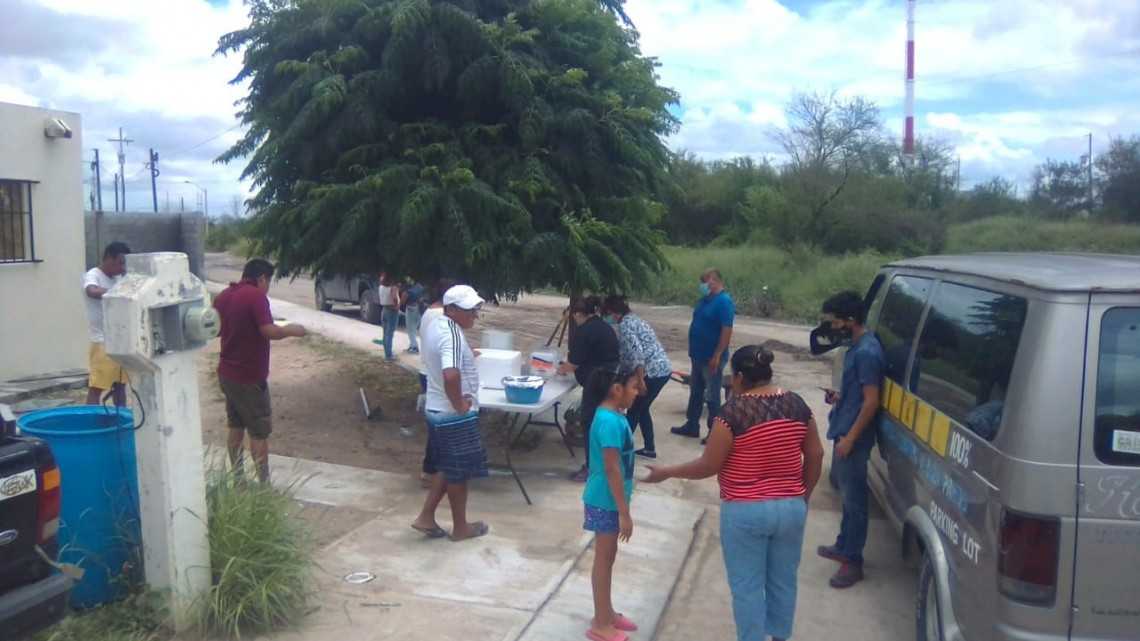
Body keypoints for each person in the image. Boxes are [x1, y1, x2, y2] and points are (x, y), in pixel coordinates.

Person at [643, 345, 824, 641]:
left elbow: (709, 465)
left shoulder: (733, 413)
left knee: (747, 587)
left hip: (746, 510)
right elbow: (815, 454)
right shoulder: (798, 405)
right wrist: (803, 497)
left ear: (739, 377)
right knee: (784, 581)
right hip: (791, 507)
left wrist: (668, 471)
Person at [213, 259, 307, 483]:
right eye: (269, 282)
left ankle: (238, 480)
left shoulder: (224, 296)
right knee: (259, 431)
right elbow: (268, 331)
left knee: (236, 426)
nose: (268, 288)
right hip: (249, 377)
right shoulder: (256, 297)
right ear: (262, 278)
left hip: (227, 372)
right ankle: (264, 486)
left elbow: (216, 329)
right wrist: (291, 330)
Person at [411, 284, 490, 542]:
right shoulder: (451, 334)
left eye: (475, 309)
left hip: (437, 408)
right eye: (469, 310)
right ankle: (460, 527)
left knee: (447, 467)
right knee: (459, 472)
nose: (474, 315)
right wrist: (459, 405)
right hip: (451, 414)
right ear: (452, 310)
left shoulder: (437, 325)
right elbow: (451, 374)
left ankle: (426, 517)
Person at [817, 291, 883, 588]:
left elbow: (871, 401)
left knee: (855, 502)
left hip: (853, 437)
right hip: (844, 427)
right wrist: (840, 398)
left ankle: (853, 561)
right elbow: (859, 395)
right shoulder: (858, 347)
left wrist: (851, 438)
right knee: (847, 495)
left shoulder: (868, 352)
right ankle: (843, 545)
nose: (833, 328)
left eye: (836, 322)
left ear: (851, 321)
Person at [582, 362, 640, 641]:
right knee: (604, 559)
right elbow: (611, 468)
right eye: (633, 387)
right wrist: (624, 512)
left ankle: (607, 613)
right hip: (605, 500)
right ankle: (601, 623)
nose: (637, 392)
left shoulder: (615, 417)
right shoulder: (608, 422)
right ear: (617, 389)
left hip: (611, 499)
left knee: (609, 556)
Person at [557, 295, 620, 482]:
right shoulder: (605, 327)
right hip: (611, 379)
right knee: (603, 424)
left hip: (597, 382)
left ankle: (592, 468)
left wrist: (561, 370)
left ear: (578, 314)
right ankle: (604, 465)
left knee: (589, 424)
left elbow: (574, 362)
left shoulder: (584, 330)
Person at [603, 295, 671, 459]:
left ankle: (621, 449)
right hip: (662, 369)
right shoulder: (633, 319)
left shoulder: (626, 326)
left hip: (652, 372)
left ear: (613, 312)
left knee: (634, 409)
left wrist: (639, 380)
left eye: (607, 314)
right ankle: (649, 448)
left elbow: (637, 354)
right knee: (642, 408)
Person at [672, 269, 735, 445]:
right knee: (696, 392)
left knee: (712, 396)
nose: (703, 285)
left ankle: (714, 432)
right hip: (697, 355)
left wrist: (717, 354)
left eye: (705, 281)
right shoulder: (705, 300)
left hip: (711, 357)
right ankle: (692, 424)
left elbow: (726, 330)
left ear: (714, 281)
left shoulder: (724, 302)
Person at [415, 278, 456, 486]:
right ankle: (431, 469)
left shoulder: (430, 311)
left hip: (427, 371)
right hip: (434, 374)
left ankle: (432, 469)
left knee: (437, 423)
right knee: (439, 423)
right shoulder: (440, 316)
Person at [83, 242, 131, 406]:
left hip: (118, 340)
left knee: (120, 385)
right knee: (97, 387)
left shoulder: (117, 279)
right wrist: (117, 291)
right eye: (120, 262)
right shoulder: (93, 275)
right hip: (102, 342)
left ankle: (120, 416)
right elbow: (91, 291)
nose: (121, 267)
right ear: (109, 258)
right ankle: (91, 418)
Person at [376, 272, 401, 361]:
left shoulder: (381, 288)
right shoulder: (392, 288)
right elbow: (394, 298)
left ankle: (387, 353)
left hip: (384, 309)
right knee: (390, 333)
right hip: (392, 310)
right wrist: (397, 305)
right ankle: (389, 355)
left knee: (385, 332)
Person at [402, 277, 425, 355]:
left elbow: (402, 302)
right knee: (414, 328)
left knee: (410, 329)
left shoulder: (407, 291)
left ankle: (415, 347)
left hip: (410, 309)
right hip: (419, 308)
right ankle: (412, 345)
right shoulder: (419, 287)